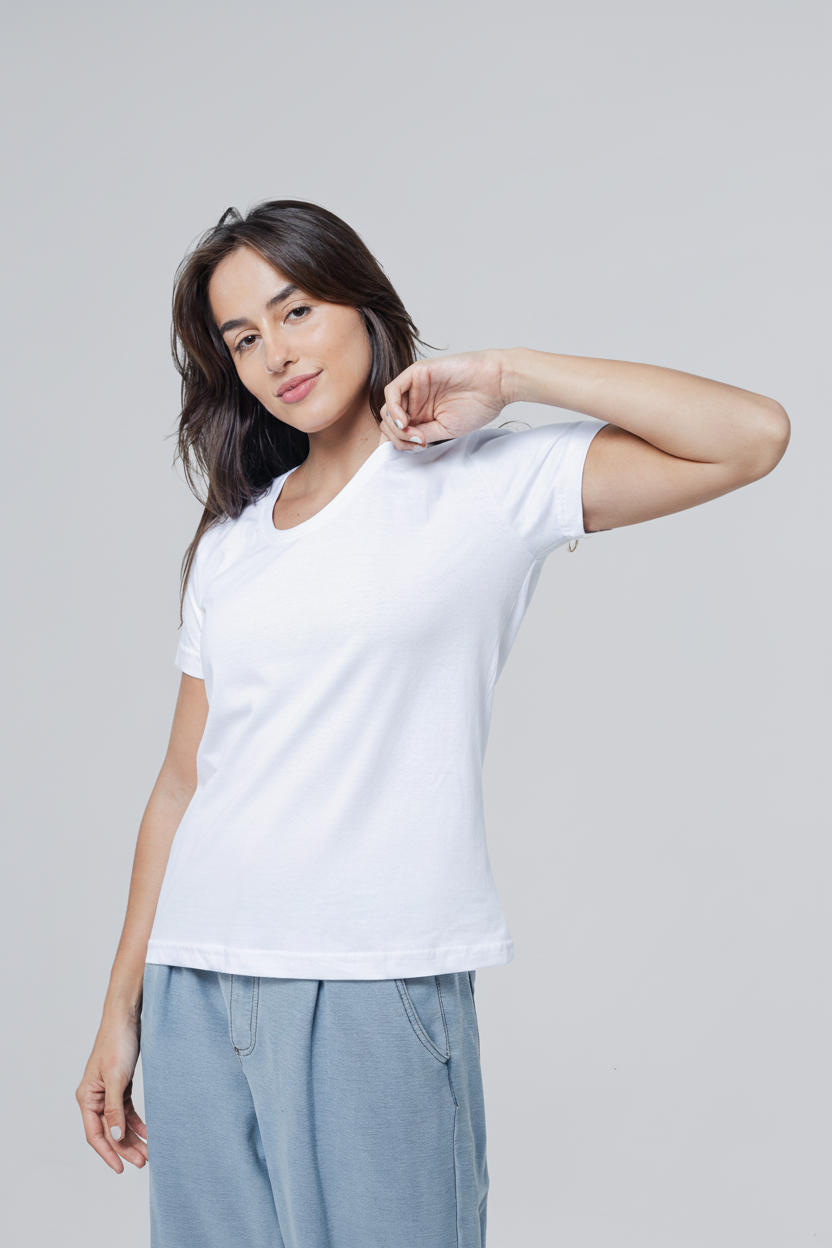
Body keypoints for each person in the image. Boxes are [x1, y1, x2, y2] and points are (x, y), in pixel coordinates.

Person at [75, 199, 790, 1248]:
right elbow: (183, 780)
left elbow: (752, 437)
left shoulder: (485, 481)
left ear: (360, 304)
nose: (276, 352)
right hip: (196, 984)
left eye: (296, 310)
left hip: (372, 975)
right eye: (243, 338)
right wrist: (121, 1007)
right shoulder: (232, 542)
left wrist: (508, 373)